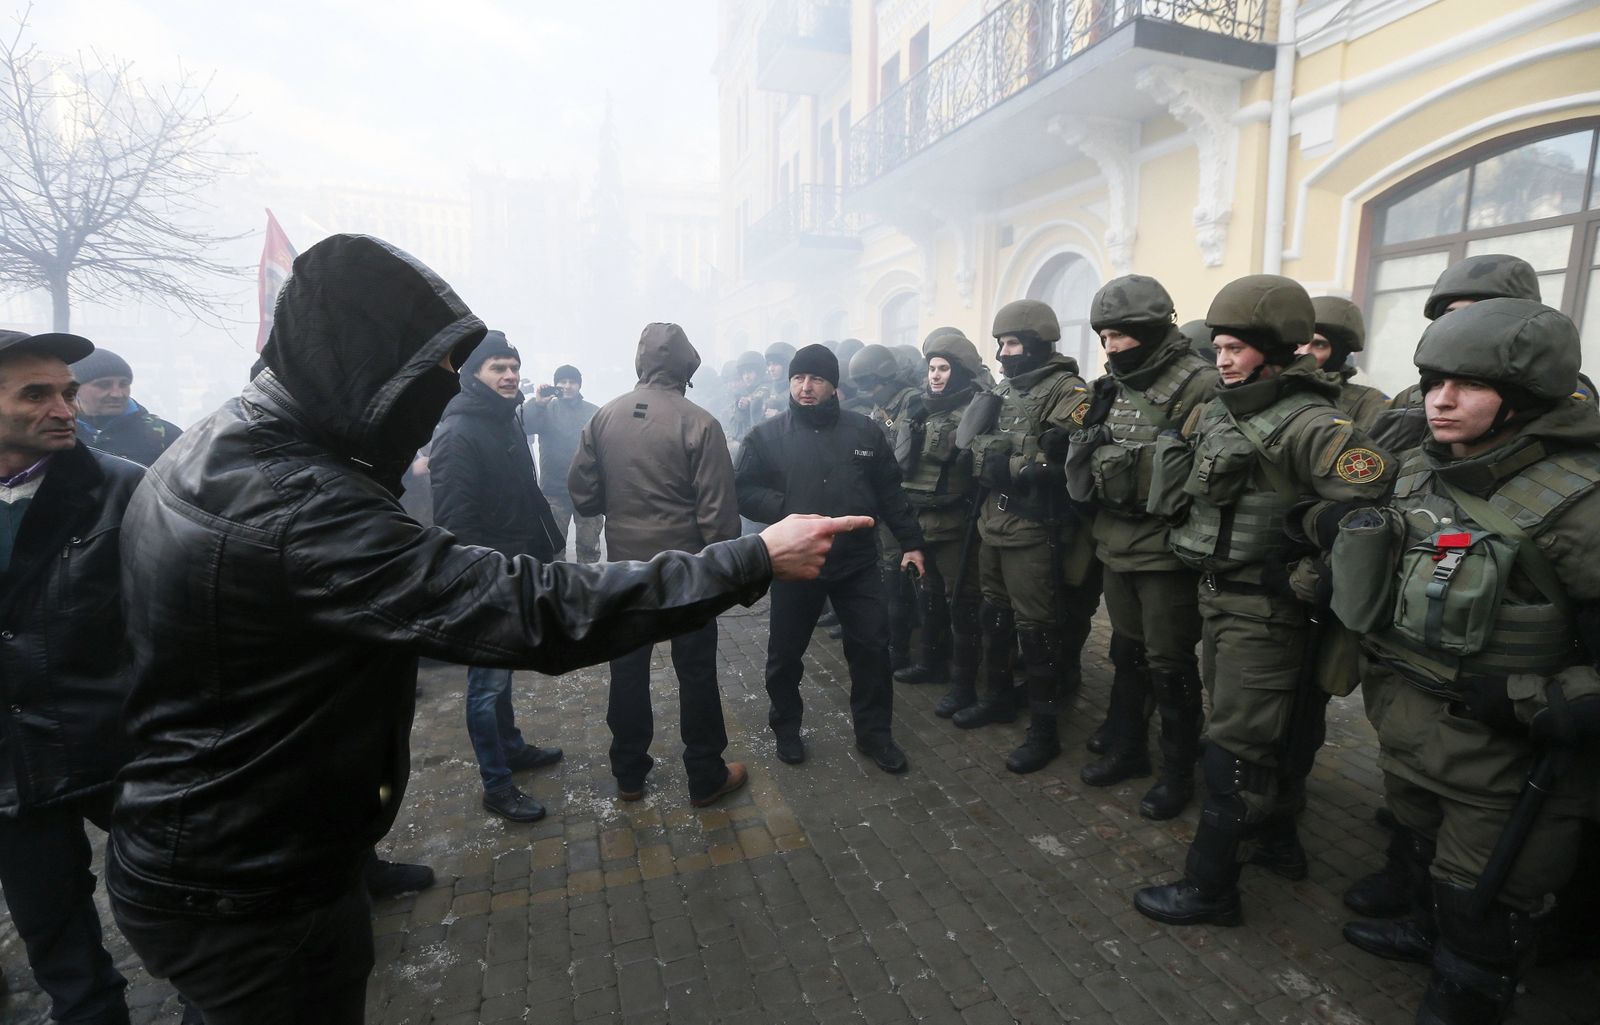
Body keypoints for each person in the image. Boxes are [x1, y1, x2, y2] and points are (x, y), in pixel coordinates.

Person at [106, 234, 868, 1024]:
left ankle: (626, 766)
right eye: (435, 370)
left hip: (220, 845)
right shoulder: (298, 504)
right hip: (250, 882)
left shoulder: (224, 441)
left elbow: (580, 489)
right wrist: (750, 558)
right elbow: (534, 609)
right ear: (370, 364)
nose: (447, 391)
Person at [1338, 298, 1600, 1025]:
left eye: (1468, 385)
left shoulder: (1582, 506)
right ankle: (1422, 927)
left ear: (1523, 398)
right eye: (1432, 380)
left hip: (1504, 763)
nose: (1440, 400)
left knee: (1481, 912)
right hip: (1409, 726)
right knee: (1422, 855)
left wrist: (1534, 698)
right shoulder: (1424, 471)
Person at [1133, 274, 1393, 927]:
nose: (1221, 358)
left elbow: (1372, 517)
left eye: (1237, 348)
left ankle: (1210, 887)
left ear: (1276, 349)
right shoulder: (1227, 408)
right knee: (1256, 733)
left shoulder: (1313, 424)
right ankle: (1277, 839)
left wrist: (1303, 580)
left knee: (1236, 747)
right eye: (1218, 345)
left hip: (1268, 612)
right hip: (1222, 596)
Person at [0, 328, 143, 1025]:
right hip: (10, 773)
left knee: (190, 906)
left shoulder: (121, 488)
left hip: (118, 746)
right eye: (36, 394)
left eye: (65, 391)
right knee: (59, 945)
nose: (64, 408)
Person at [568, 323, 747, 806]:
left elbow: (583, 497)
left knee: (627, 672)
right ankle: (705, 774)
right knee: (696, 673)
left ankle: (629, 774)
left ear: (639, 361)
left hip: (625, 572)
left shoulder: (604, 417)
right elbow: (719, 519)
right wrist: (725, 576)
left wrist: (621, 506)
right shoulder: (701, 422)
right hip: (686, 574)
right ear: (689, 365)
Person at [736, 343, 924, 775]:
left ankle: (875, 734)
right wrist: (787, 507)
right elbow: (742, 488)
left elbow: (891, 492)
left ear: (833, 386)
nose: (806, 387)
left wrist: (911, 541)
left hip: (856, 560)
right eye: (799, 378)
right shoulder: (766, 436)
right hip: (796, 560)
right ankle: (786, 727)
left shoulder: (865, 433)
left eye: (817, 379)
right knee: (785, 652)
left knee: (872, 649)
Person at [1072, 276, 1217, 819]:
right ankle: (1129, 747)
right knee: (1126, 651)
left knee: (1169, 661)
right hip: (1115, 538)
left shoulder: (1200, 384)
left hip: (1166, 549)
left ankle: (1177, 773)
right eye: (1104, 337)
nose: (1111, 348)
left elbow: (1212, 475)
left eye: (1122, 336)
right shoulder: (1110, 383)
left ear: (1154, 330)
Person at [959, 299, 1102, 776]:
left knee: (1036, 631)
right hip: (993, 521)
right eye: (1000, 344)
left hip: (1035, 528)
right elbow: (973, 448)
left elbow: (1060, 462)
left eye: (1013, 343)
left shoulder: (1068, 390)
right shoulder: (1002, 389)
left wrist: (1014, 465)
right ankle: (998, 699)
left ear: (1038, 343)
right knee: (993, 615)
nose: (1003, 353)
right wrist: (1006, 462)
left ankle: (1045, 731)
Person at [430, 330, 566, 824]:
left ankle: (511, 747)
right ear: (473, 375)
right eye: (497, 368)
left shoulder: (505, 419)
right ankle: (496, 783)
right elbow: (455, 521)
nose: (509, 376)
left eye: (513, 367)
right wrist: (483, 577)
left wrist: (547, 547)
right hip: (486, 575)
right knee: (485, 686)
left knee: (502, 671)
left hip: (518, 563)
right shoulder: (459, 431)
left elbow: (525, 494)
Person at [892, 329, 986, 723]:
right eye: (931, 368)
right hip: (918, 517)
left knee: (962, 601)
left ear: (959, 372)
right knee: (928, 594)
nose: (935, 376)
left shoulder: (976, 409)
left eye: (944, 368)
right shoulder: (916, 407)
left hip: (955, 521)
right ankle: (931, 662)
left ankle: (963, 684)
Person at [850, 343, 923, 673]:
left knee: (898, 580)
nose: (868, 392)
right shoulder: (881, 409)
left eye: (872, 385)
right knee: (888, 578)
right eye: (863, 386)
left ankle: (901, 652)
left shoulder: (911, 403)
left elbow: (901, 459)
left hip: (906, 504)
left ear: (888, 377)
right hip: (885, 502)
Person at [524, 363, 601, 562]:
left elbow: (605, 448)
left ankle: (589, 589)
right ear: (555, 384)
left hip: (588, 492)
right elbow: (524, 425)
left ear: (579, 385)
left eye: (572, 381)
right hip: (553, 491)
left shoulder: (594, 412)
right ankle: (557, 590)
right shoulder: (545, 409)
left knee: (589, 549)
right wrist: (538, 404)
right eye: (562, 381)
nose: (567, 386)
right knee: (553, 549)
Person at [71, 346, 182, 467]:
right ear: (76, 389)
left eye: (123, 384)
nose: (117, 394)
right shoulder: (58, 433)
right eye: (104, 385)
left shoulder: (166, 435)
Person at [1304, 296, 1387, 428]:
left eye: (1319, 345)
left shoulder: (1367, 402)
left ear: (1338, 353)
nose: (1303, 352)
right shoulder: (1271, 388)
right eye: (1300, 342)